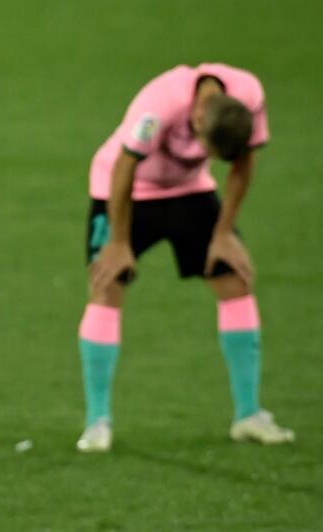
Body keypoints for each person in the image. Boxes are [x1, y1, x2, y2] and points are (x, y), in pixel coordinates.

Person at [76, 64, 295, 452]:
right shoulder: (158, 104)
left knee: (236, 281)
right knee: (108, 285)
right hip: (126, 190)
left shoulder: (249, 95)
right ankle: (97, 423)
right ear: (196, 116)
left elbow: (244, 163)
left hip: (189, 192)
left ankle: (248, 415)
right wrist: (120, 242)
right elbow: (125, 167)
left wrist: (224, 233)